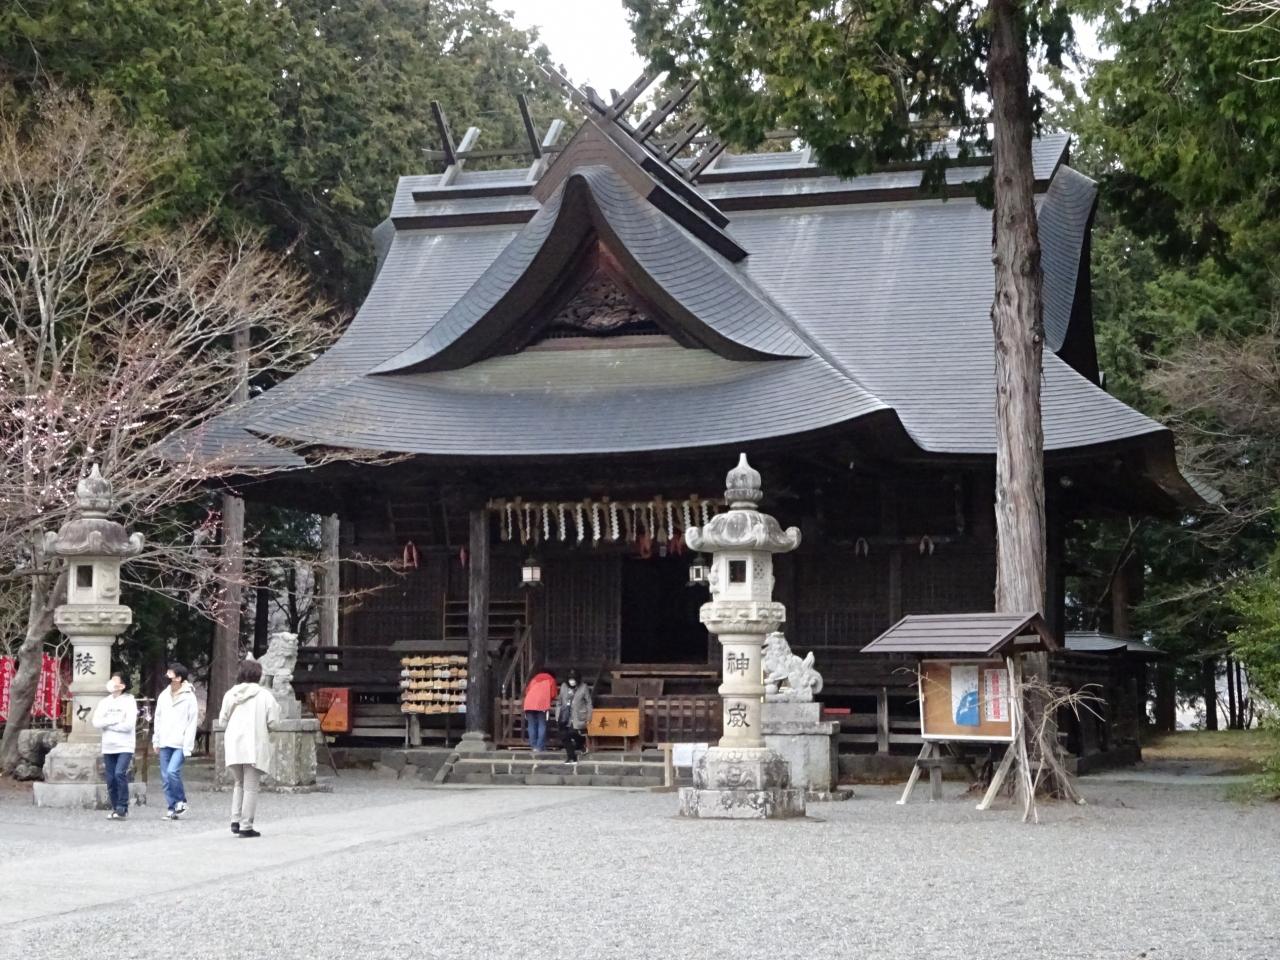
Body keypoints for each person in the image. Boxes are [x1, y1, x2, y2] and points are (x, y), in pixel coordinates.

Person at [217, 658, 280, 838]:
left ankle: (235, 819)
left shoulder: (230, 694)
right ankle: (246, 825)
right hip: (254, 744)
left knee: (239, 783)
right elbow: (274, 722)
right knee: (251, 786)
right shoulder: (265, 695)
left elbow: (222, 721)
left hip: (234, 744)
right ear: (258, 675)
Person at [152, 662, 199, 820]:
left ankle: (181, 801)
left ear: (179, 678)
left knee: (172, 772)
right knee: (166, 777)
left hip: (180, 742)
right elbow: (158, 718)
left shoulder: (189, 696)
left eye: (171, 673)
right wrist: (156, 740)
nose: (168, 675)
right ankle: (171, 808)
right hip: (165, 740)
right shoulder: (164, 695)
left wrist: (188, 746)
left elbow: (192, 722)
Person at [91, 672, 137, 820]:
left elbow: (128, 725)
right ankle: (116, 808)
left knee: (119, 774)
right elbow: (96, 722)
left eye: (115, 680)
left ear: (122, 685)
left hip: (125, 745)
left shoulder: (129, 701)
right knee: (110, 779)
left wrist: (108, 724)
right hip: (108, 745)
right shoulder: (105, 702)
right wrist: (115, 720)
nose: (111, 682)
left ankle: (123, 807)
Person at [556, 668, 593, 765]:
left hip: (578, 715)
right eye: (570, 679)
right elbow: (559, 702)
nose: (572, 681)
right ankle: (571, 757)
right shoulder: (564, 686)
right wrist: (557, 715)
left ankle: (581, 745)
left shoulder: (583, 687)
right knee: (564, 736)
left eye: (573, 679)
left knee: (574, 733)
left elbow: (589, 702)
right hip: (565, 716)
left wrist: (589, 716)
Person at [521, 665, 558, 753]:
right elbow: (553, 694)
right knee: (542, 724)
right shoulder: (551, 680)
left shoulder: (534, 679)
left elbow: (527, 691)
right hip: (542, 704)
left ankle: (533, 746)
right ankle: (539, 746)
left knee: (531, 725)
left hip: (529, 704)